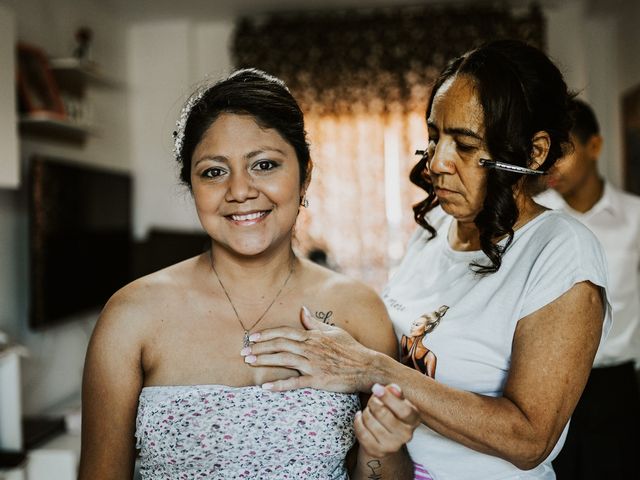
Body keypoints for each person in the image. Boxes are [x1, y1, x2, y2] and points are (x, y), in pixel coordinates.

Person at [242, 40, 613, 479]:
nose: (437, 162)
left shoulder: (560, 249)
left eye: (465, 145)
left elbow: (529, 438)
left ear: (533, 152)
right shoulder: (435, 227)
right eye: (435, 137)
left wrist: (370, 368)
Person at [78, 68, 419, 479]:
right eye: (214, 171)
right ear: (191, 183)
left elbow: (383, 473)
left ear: (305, 173)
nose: (240, 190)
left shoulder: (358, 310)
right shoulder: (132, 315)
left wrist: (381, 448)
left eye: (264, 164)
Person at [537, 98, 640, 479]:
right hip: (545, 381)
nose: (551, 166)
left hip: (615, 389)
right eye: (544, 152)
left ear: (594, 146)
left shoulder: (636, 218)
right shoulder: (533, 219)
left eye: (563, 152)